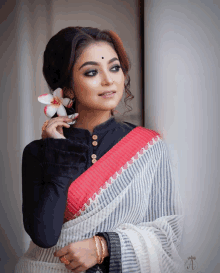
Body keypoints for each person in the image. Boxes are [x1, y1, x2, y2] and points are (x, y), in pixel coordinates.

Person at [15, 26, 184, 273]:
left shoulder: (150, 147)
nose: (109, 80)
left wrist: (104, 246)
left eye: (114, 68)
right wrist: (58, 155)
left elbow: (171, 232)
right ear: (68, 88)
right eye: (92, 72)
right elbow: (45, 237)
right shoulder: (38, 153)